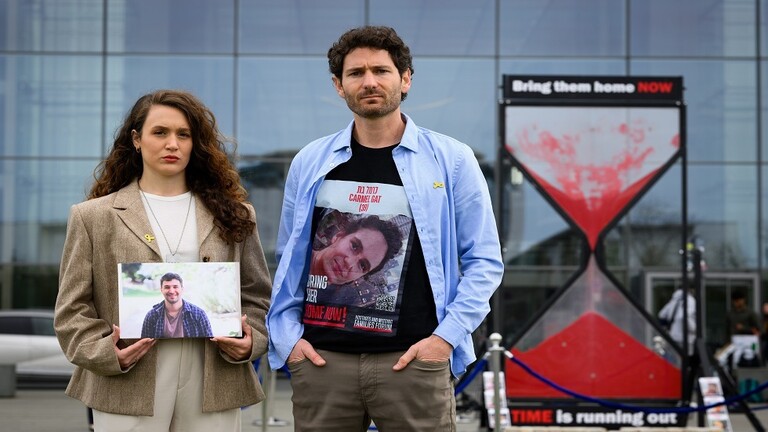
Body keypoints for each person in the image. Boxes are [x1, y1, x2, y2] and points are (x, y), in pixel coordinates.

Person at [266, 26, 504, 431]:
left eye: (381, 70)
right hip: (323, 364)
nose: (369, 82)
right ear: (339, 85)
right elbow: (290, 256)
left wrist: (444, 339)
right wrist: (289, 341)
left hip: (413, 363)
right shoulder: (311, 161)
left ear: (405, 78)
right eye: (356, 73)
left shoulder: (452, 160)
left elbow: (484, 260)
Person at [54, 89, 272, 431]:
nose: (173, 144)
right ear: (136, 139)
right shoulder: (93, 217)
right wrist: (105, 353)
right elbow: (72, 309)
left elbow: (258, 296)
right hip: (127, 379)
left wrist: (251, 342)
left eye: (183, 134)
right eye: (160, 132)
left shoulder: (235, 215)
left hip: (214, 376)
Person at [141, 272, 214, 339]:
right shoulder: (152, 316)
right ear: (161, 290)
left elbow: (209, 343)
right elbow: (143, 345)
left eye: (175, 287)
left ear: (182, 289)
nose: (171, 291)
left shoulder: (198, 314)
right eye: (167, 287)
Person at [657, 285, 696, 356]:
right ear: (690, 290)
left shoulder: (674, 300)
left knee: (675, 358)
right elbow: (683, 317)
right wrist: (693, 329)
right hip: (685, 338)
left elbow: (661, 315)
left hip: (673, 335)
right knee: (686, 359)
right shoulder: (690, 300)